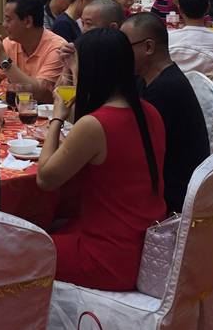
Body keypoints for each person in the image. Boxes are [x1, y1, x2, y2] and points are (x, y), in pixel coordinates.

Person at [36, 28, 165, 290]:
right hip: (145, 245)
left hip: (108, 256)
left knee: (16, 248)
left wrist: (57, 117)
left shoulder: (95, 125)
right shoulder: (150, 111)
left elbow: (45, 178)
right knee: (54, 226)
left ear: (92, 70)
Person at [123, 14, 210, 213]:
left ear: (148, 47)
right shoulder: (147, 79)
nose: (120, 54)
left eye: (125, 47)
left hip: (171, 198)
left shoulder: (165, 89)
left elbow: (138, 150)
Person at [0, 0, 67, 103]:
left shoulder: (57, 48)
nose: (4, 25)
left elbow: (39, 94)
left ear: (28, 21)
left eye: (8, 20)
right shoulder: (10, 43)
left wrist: (3, 59)